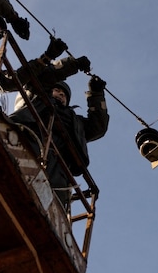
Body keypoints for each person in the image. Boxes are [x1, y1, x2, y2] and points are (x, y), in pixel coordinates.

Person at [9, 75, 109, 208]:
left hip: (59, 167)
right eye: (57, 90)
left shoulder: (76, 122)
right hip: (29, 146)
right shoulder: (35, 99)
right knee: (16, 179)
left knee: (53, 200)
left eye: (64, 95)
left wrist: (96, 94)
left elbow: (98, 127)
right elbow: (35, 82)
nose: (61, 95)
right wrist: (60, 70)